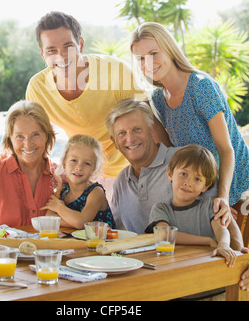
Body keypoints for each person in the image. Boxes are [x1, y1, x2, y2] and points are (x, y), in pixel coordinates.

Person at [0, 11, 147, 201]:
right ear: (42, 54)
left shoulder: (116, 71)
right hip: (82, 175)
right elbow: (27, 137)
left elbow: (149, 123)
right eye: (51, 50)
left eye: (68, 47)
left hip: (130, 172)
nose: (61, 56)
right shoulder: (38, 88)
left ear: (80, 44)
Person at [130, 22, 249, 211]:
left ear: (169, 48)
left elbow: (226, 149)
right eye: (141, 58)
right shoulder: (158, 99)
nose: (148, 63)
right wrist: (147, 112)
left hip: (236, 185)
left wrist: (223, 197)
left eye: (153, 53)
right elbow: (172, 152)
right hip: (202, 187)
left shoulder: (200, 86)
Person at [105, 98, 229, 234]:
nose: (130, 139)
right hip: (141, 254)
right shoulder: (120, 183)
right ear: (114, 142)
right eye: (122, 133)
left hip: (195, 253)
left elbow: (221, 217)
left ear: (152, 131)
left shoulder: (186, 161)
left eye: (137, 129)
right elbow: (117, 233)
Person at [146, 144, 248, 267]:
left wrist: (223, 245)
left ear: (205, 186)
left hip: (206, 270)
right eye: (184, 174)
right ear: (170, 173)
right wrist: (207, 241)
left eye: (197, 179)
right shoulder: (161, 209)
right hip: (172, 269)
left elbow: (222, 230)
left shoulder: (209, 207)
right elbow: (165, 235)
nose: (188, 183)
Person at [0, 100, 59, 227]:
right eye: (19, 136)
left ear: (47, 136)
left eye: (35, 134)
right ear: (10, 139)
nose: (28, 144)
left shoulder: (63, 178)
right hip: (0, 247)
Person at [41, 134, 116, 229]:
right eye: (74, 160)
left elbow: (80, 222)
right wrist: (89, 225)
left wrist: (59, 208)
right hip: (78, 243)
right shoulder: (63, 190)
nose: (79, 167)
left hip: (106, 242)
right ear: (64, 163)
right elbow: (49, 217)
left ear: (94, 169)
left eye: (87, 163)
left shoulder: (96, 192)